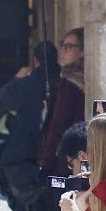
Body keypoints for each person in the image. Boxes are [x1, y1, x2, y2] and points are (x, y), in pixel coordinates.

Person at [0, 42, 53, 209]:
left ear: (35, 61)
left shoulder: (29, 82)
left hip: (24, 153)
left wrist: (16, 79)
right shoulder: (62, 80)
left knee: (24, 203)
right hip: (49, 152)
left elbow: (2, 100)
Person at [37, 28, 85, 175]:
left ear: (83, 51)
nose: (63, 51)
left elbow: (58, 124)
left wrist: (45, 161)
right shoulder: (71, 79)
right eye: (62, 46)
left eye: (69, 47)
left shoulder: (70, 83)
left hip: (66, 157)